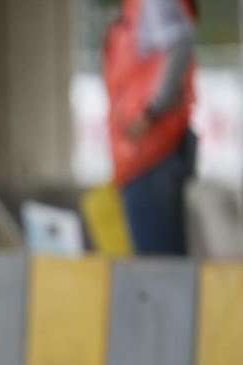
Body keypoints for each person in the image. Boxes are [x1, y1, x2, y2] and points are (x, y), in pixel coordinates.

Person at [103, 0, 198, 255]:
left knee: (159, 270)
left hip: (152, 153)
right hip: (143, 154)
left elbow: (179, 44)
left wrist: (151, 112)